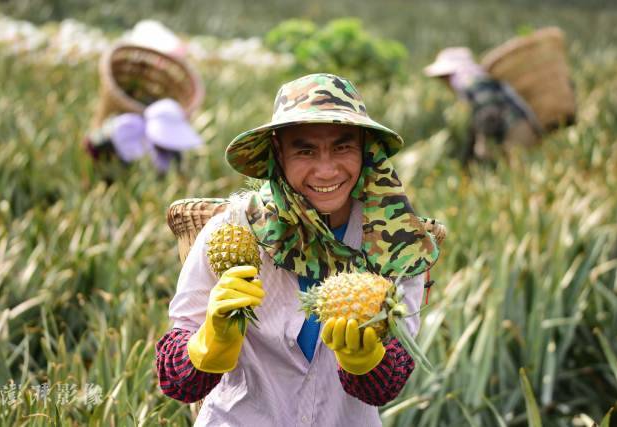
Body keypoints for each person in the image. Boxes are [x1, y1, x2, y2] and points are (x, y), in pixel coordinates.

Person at [155, 73, 440, 426]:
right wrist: (209, 344)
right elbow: (174, 378)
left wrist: (366, 362)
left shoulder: (398, 245)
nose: (325, 169)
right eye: (304, 150)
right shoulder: (234, 229)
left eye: (342, 146)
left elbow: (390, 381)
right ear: (278, 153)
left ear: (366, 149)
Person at [424, 47, 543, 161]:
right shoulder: (473, 85)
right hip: (512, 129)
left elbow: (489, 112)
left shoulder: (473, 84)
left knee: (517, 168)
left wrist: (483, 141)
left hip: (516, 128)